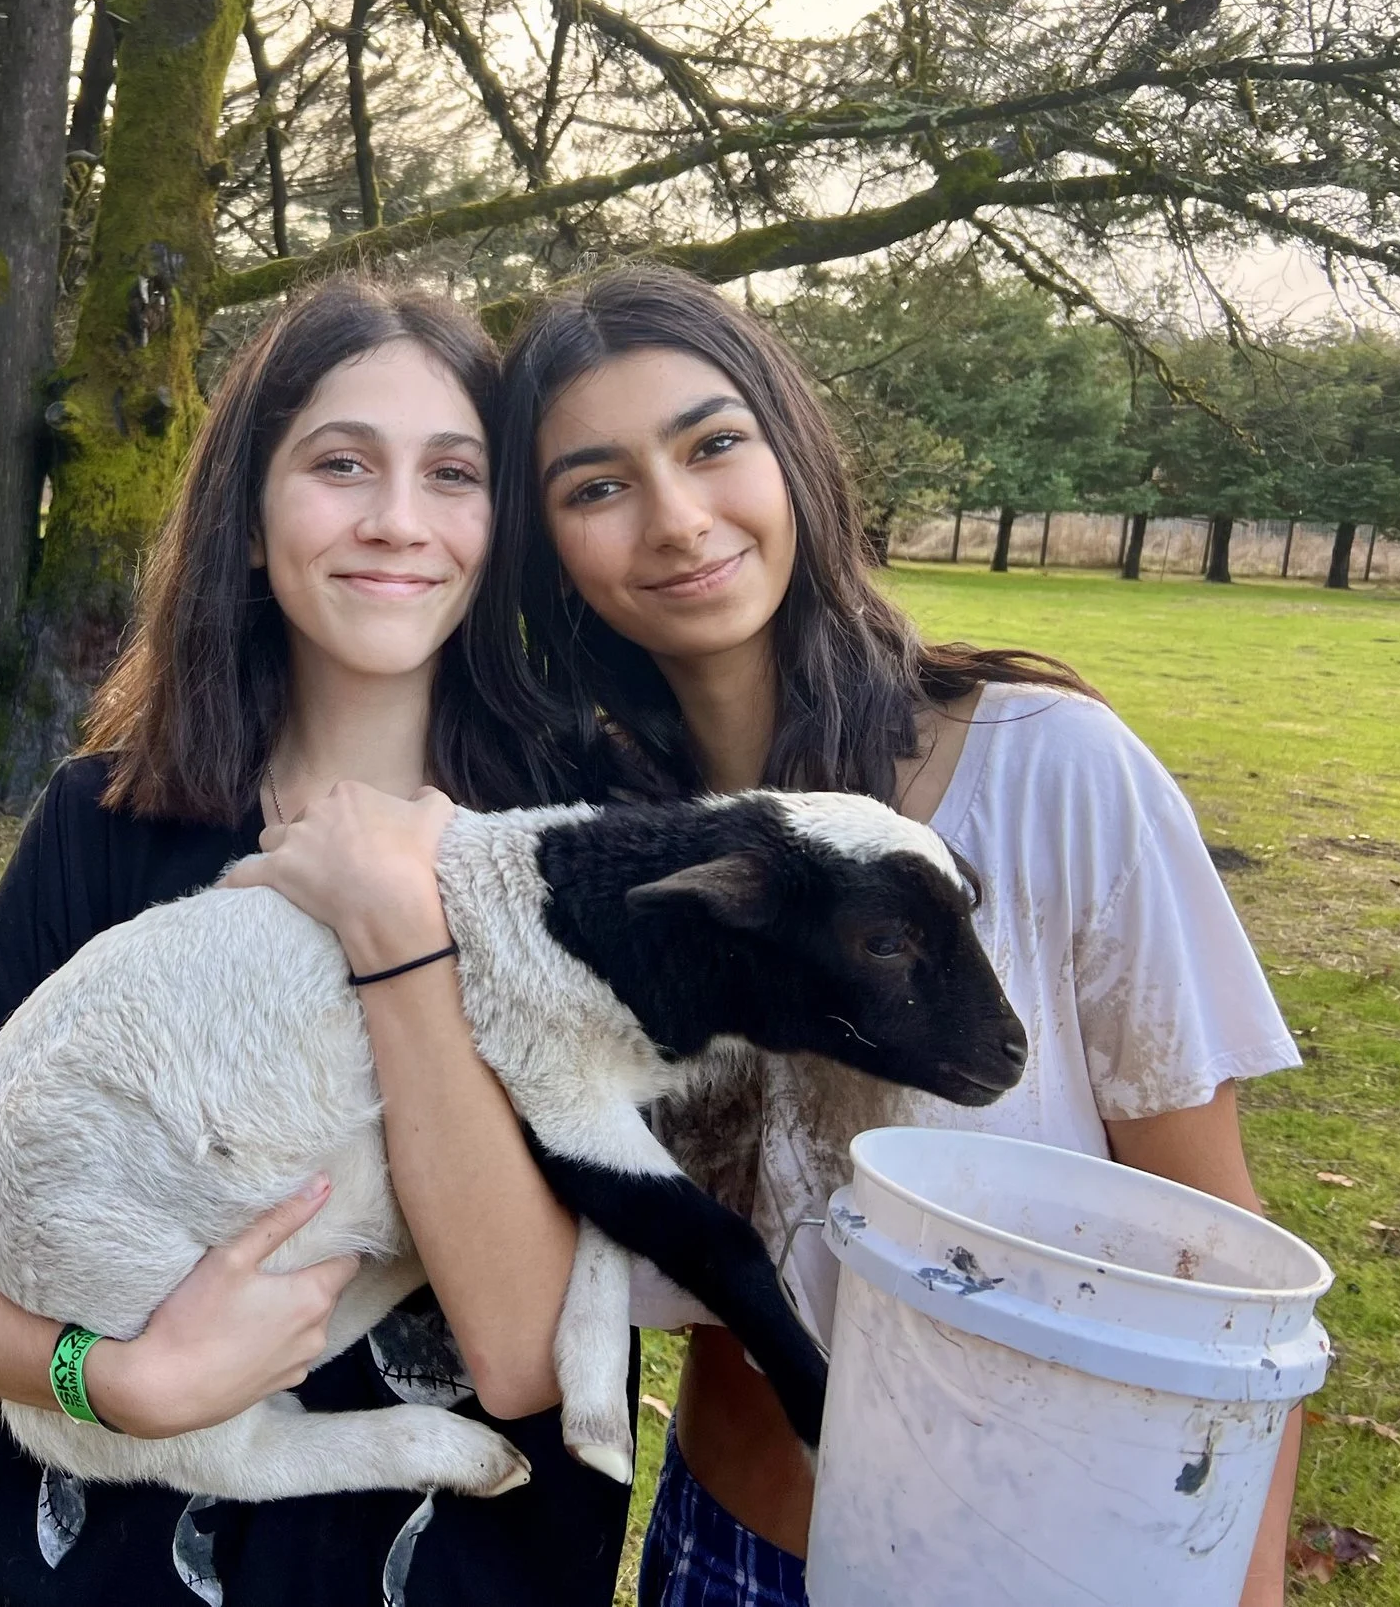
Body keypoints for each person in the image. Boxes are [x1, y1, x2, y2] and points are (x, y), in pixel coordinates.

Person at [457, 264, 1301, 1607]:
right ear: (542, 542)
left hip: (1043, 1560)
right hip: (724, 1548)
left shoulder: (1049, 772)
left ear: (789, 447)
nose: (677, 519)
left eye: (712, 443)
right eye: (596, 485)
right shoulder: (596, 857)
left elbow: (1226, 1259)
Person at [0, 278, 630, 1607]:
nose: (396, 518)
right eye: (339, 464)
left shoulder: (582, 841)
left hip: (456, 1564)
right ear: (250, 523)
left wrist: (395, 933)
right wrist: (109, 1371)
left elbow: (526, 1351)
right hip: (104, 1567)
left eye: (453, 472)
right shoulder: (110, 818)